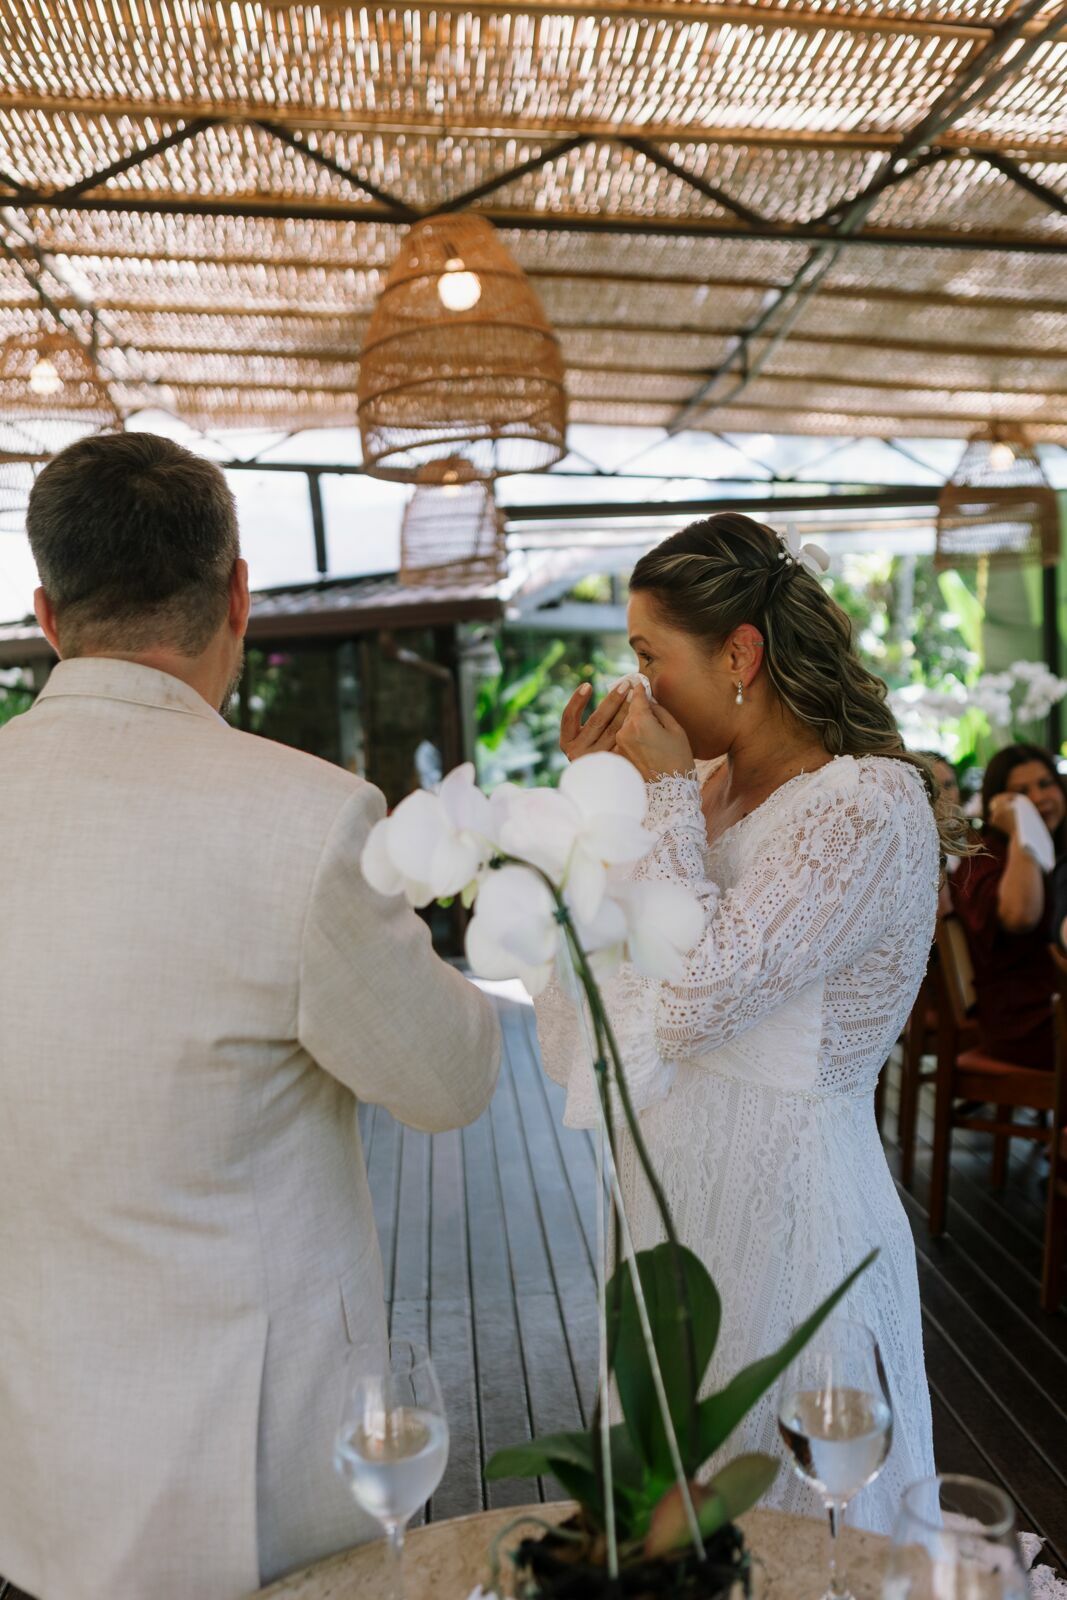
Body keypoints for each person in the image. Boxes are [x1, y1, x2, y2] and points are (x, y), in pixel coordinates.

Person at [0, 433, 501, 1600]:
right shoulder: (307, 819)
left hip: (31, 1470)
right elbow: (450, 1079)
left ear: (48, 614)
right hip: (250, 1489)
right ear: (237, 594)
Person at [535, 512, 967, 1534]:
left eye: (649, 656)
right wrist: (601, 802)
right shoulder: (698, 790)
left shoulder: (865, 807)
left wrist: (659, 798)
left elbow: (691, 1002)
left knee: (801, 1531)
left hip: (792, 1221)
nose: (637, 687)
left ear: (737, 655)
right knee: (677, 1529)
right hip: (669, 1217)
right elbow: (577, 1008)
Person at [950, 742, 1066, 1069]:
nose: (1040, 798)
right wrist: (1020, 832)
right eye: (1022, 793)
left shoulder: (1059, 848)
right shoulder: (983, 858)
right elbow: (1021, 916)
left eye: (1045, 784)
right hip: (1027, 1020)